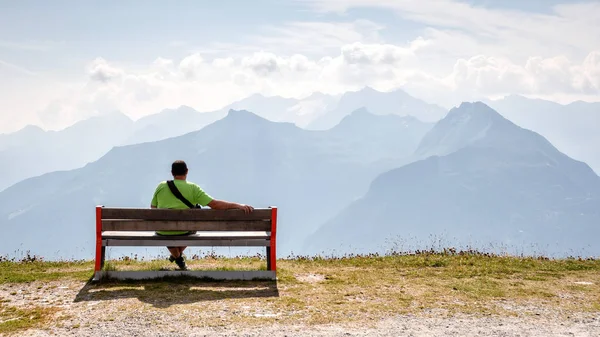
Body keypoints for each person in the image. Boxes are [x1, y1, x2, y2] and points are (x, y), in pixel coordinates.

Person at [150, 160, 254, 270]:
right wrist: (238, 205)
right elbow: (214, 204)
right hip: (185, 230)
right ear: (187, 171)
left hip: (163, 230)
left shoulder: (161, 186)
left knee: (170, 232)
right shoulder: (193, 188)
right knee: (193, 228)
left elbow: (153, 208)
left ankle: (177, 258)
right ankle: (178, 258)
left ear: (172, 173)